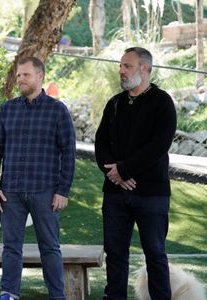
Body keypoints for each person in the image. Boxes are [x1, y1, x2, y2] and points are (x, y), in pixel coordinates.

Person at [0, 57, 76, 300]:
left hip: (45, 192)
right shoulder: (7, 110)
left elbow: (69, 152)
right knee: (11, 247)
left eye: (25, 75)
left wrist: (63, 190)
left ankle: (57, 296)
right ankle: (9, 294)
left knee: (49, 247)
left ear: (39, 76)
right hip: (10, 192)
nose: (20, 80)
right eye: (18, 75)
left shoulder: (58, 111)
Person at [95, 47, 177, 300]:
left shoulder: (162, 102)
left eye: (127, 66)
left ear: (144, 68)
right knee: (116, 253)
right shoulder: (115, 103)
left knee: (155, 253)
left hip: (152, 194)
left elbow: (159, 145)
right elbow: (101, 143)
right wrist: (115, 173)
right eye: (121, 65)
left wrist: (125, 169)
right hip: (115, 194)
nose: (121, 70)